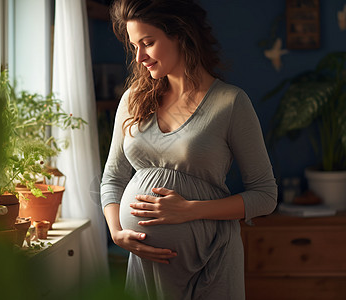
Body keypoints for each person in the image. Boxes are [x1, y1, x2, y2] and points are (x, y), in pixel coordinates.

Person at [100, 0, 277, 299]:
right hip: (146, 270)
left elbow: (265, 196)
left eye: (148, 43)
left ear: (180, 34)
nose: (140, 56)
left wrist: (189, 211)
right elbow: (113, 178)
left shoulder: (230, 103)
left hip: (211, 265)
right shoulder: (132, 100)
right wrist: (117, 233)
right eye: (134, 46)